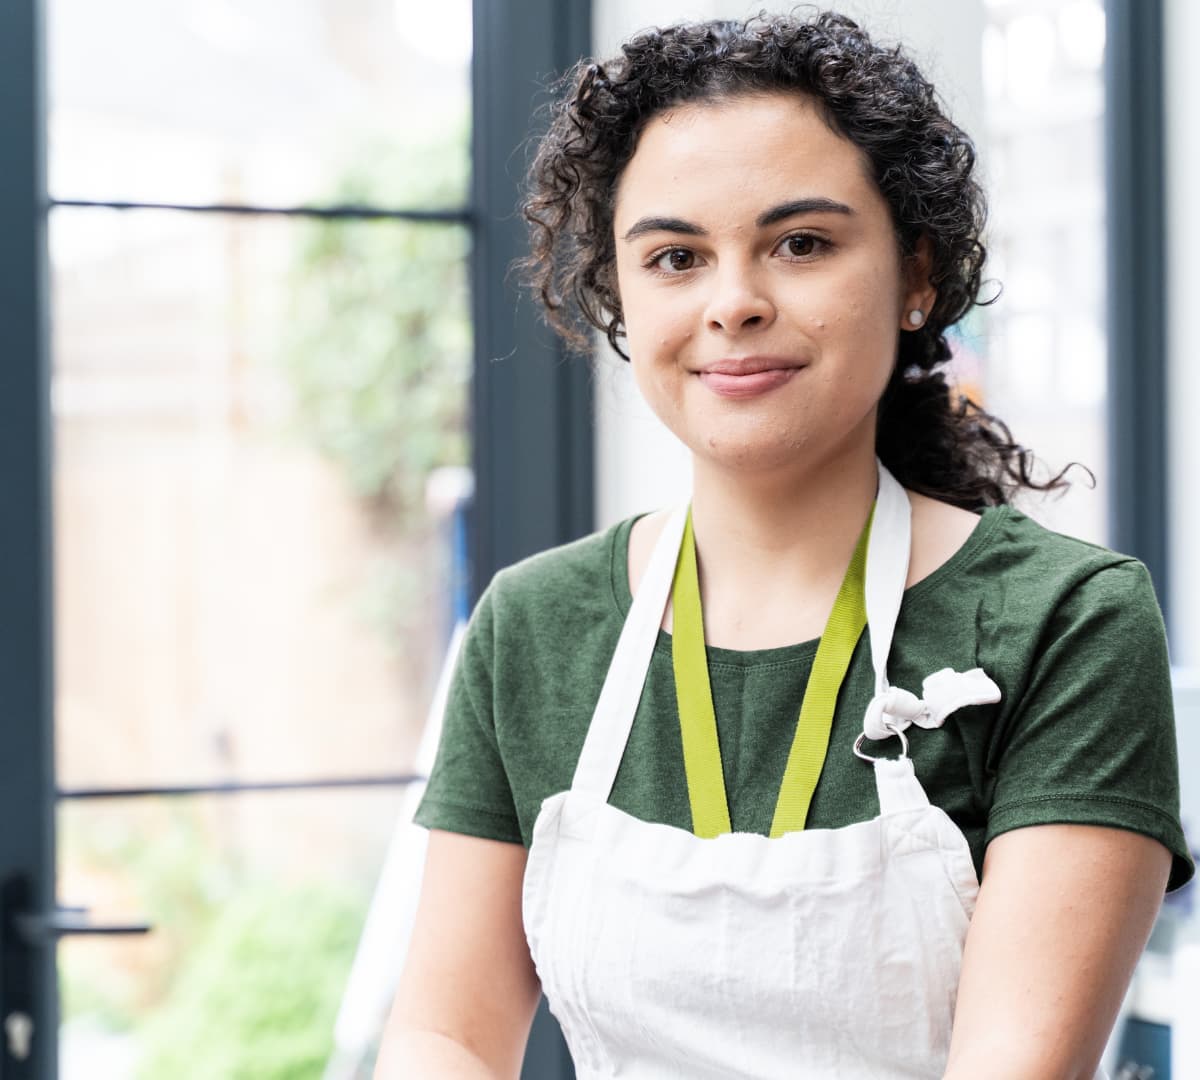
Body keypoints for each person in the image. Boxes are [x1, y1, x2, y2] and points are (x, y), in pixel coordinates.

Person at [376, 10, 1194, 1078]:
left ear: (915, 275)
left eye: (800, 243)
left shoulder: (1065, 622)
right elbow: (445, 1034)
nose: (734, 304)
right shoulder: (533, 627)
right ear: (620, 296)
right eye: (675, 257)